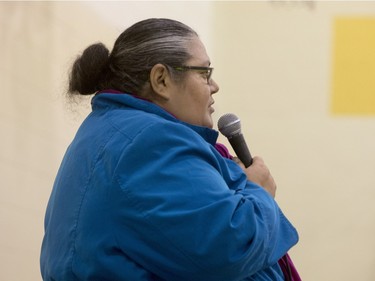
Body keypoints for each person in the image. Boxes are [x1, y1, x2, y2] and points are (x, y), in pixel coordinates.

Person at [40, 18, 300, 281]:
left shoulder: (113, 131)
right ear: (161, 79)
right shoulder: (150, 142)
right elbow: (229, 247)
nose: (214, 86)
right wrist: (259, 193)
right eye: (204, 73)